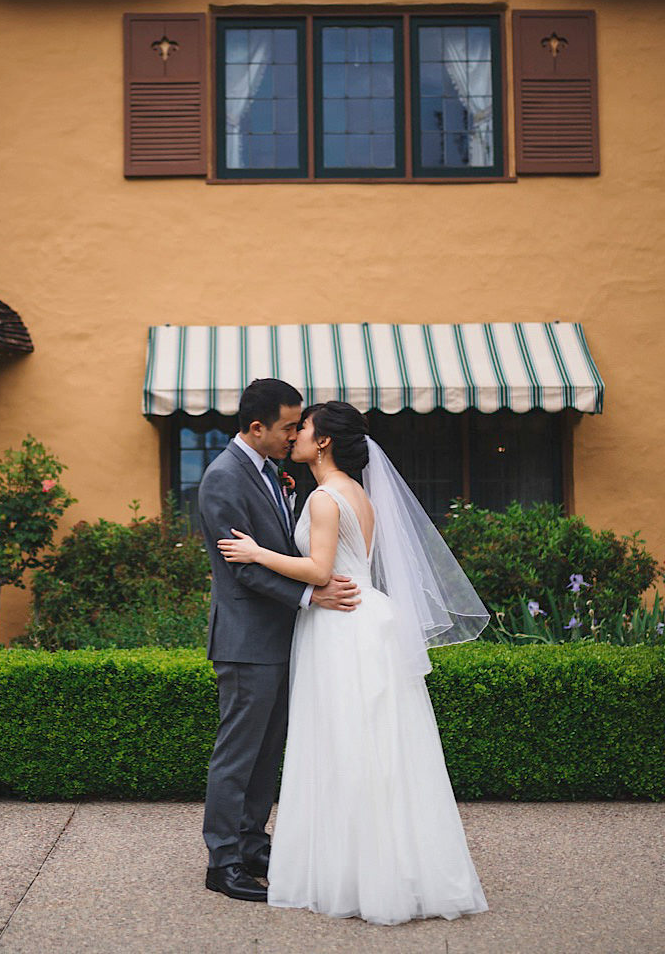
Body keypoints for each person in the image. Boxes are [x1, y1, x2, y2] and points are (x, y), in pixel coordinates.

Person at [217, 400, 491, 926]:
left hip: (341, 627)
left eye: (305, 429)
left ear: (322, 442)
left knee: (343, 744)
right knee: (381, 748)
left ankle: (351, 872)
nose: (295, 435)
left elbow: (321, 570)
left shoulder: (325, 497)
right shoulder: (356, 492)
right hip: (368, 619)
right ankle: (391, 867)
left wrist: (256, 553)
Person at [196, 379, 363, 903]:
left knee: (267, 752)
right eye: (289, 426)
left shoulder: (273, 473)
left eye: (298, 427)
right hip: (247, 641)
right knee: (237, 754)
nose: (294, 435)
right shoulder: (224, 478)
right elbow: (242, 572)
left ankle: (250, 841)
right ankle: (222, 862)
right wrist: (313, 598)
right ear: (256, 428)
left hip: (281, 638)